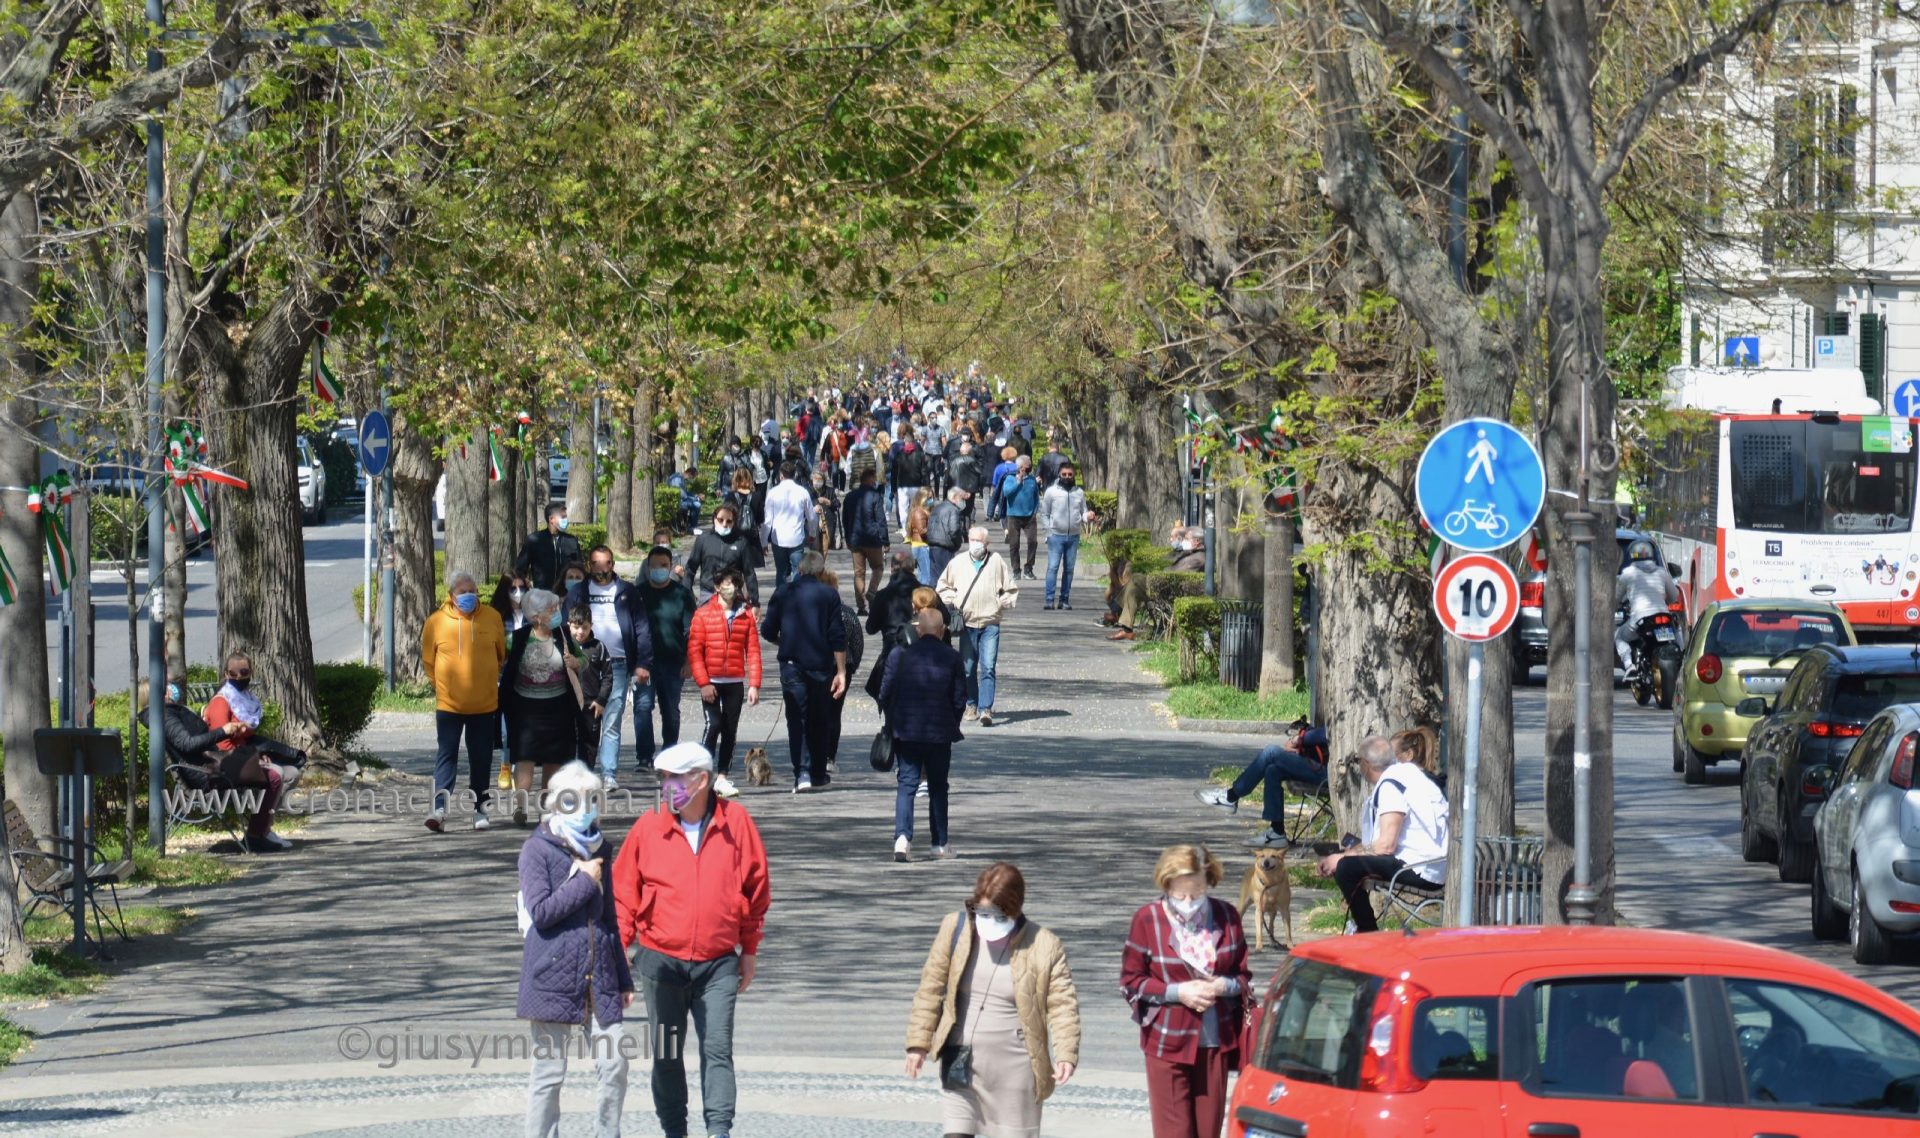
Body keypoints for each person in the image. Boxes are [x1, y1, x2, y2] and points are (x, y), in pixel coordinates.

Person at [613, 742, 771, 1138]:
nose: (664, 786)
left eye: (671, 778)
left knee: (717, 1051)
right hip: (659, 962)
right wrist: (616, 964)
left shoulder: (737, 823)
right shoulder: (649, 825)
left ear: (700, 781)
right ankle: (674, 1131)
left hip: (718, 964)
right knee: (667, 1056)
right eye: (662, 778)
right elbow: (622, 896)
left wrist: (749, 950)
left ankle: (719, 1131)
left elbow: (756, 889)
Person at [905, 862, 1082, 1138]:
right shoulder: (955, 929)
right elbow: (931, 986)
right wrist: (918, 1044)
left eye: (995, 914)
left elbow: (1062, 1006)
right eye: (980, 910)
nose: (985, 919)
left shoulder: (1044, 944)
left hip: (1015, 1071)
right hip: (961, 1063)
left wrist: (1066, 1054)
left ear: (1014, 909)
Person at [519, 760, 634, 1138]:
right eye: (577, 800)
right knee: (549, 1075)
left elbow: (610, 915)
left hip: (599, 974)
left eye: (592, 799)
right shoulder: (536, 850)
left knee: (615, 1062)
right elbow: (541, 912)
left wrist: (622, 974)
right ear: (557, 804)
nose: (587, 808)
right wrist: (584, 881)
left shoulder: (601, 846)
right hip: (551, 974)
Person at [1121, 845, 1252, 1138]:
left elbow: (1243, 978)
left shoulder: (1227, 915)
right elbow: (1131, 982)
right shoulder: (1147, 919)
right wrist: (1177, 992)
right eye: (1180, 895)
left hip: (1215, 1042)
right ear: (1166, 885)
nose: (1189, 902)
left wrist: (1223, 985)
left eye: (1197, 893)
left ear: (1209, 883)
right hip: (1167, 1042)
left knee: (1208, 1131)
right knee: (1174, 1133)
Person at [1316, 735, 1450, 933]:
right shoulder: (1406, 774)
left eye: (1358, 761)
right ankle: (1365, 928)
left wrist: (1342, 857)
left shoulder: (1391, 786)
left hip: (1422, 868)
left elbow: (1386, 845)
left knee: (1346, 868)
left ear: (1366, 764)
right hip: (1430, 862)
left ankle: (1367, 931)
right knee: (1351, 860)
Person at [154, 676, 290, 853]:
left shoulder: (170, 713)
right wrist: (223, 731)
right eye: (166, 689)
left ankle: (260, 832)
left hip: (211, 767)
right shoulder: (168, 716)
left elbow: (206, 746)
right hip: (207, 775)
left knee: (273, 772)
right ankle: (257, 836)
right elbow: (189, 744)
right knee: (273, 776)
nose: (171, 691)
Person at [421, 571, 508, 833]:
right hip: (449, 705)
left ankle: (480, 809)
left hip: (484, 705)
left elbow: (500, 654)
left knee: (480, 759)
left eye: (472, 591)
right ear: (451, 595)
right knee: (446, 756)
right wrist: (441, 686)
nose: (468, 596)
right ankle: (439, 809)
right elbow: (428, 660)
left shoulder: (492, 617)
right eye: (462, 592)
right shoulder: (435, 621)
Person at [502, 588, 592, 833]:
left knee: (553, 760)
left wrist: (577, 663)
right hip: (525, 708)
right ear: (536, 616)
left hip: (558, 707)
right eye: (552, 610)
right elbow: (503, 662)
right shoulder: (518, 638)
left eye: (556, 609)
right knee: (525, 759)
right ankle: (520, 806)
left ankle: (546, 808)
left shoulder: (563, 635)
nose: (557, 614)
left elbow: (582, 659)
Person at [566, 545, 655, 791]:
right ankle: (582, 773)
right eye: (596, 563)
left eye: (606, 563)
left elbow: (642, 628)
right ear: (589, 565)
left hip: (617, 663)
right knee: (583, 720)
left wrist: (643, 663)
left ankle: (608, 774)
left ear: (613, 564)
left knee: (612, 720)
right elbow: (566, 627)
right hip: (584, 663)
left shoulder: (627, 591)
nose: (601, 568)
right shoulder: (578, 592)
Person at [758, 550, 849, 792]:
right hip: (820, 664)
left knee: (797, 718)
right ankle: (819, 772)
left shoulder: (783, 592)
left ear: (799, 569)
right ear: (821, 571)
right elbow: (837, 636)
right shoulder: (829, 595)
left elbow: (767, 629)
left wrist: (783, 641)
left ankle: (802, 772)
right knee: (820, 719)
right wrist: (841, 671)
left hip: (791, 664)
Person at [881, 608, 967, 861]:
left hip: (906, 730)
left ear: (918, 630)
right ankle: (939, 843)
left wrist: (892, 720)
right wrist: (953, 721)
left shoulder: (900, 655)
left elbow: (885, 691)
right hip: (939, 732)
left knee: (906, 783)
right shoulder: (951, 657)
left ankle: (902, 838)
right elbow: (960, 698)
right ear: (942, 631)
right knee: (938, 787)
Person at [688, 567, 762, 798]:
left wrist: (754, 684)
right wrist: (703, 683)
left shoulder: (745, 614)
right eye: (728, 583)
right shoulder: (703, 614)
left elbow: (753, 650)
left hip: (734, 681)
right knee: (714, 725)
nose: (732, 588)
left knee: (730, 730)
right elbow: (695, 651)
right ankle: (702, 774)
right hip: (710, 680)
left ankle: (722, 777)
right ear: (718, 586)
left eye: (736, 584)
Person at [1195, 724, 1329, 847]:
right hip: (1321, 765)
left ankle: (1231, 797)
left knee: (1271, 751)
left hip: (1330, 775)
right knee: (1272, 770)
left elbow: (1328, 733)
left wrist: (1300, 738)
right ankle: (1277, 833)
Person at [937, 527, 1018, 727]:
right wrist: (954, 599)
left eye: (978, 540)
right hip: (968, 623)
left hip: (990, 622)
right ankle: (971, 704)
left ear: (987, 543)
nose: (974, 543)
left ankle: (986, 709)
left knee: (988, 667)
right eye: (972, 539)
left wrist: (1001, 602)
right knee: (968, 668)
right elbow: (942, 586)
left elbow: (1011, 588)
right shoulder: (958, 562)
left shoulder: (996, 561)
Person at [635, 545, 696, 768]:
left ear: (670, 567)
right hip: (645, 663)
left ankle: (669, 753)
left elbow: (692, 631)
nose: (659, 569)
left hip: (673, 663)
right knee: (642, 707)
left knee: (670, 710)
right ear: (647, 567)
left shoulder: (682, 595)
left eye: (663, 566)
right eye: (654, 566)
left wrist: (689, 662)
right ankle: (644, 756)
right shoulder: (638, 593)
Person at [863, 550, 922, 705]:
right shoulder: (925, 592)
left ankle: (889, 724)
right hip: (922, 652)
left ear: (892, 568)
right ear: (913, 568)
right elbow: (945, 617)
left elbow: (870, 628)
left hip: (891, 649)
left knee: (888, 692)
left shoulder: (883, 595)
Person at [564, 604, 615, 777]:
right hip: (568, 704)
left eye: (584, 627)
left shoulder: (598, 647)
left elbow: (608, 676)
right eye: (576, 627)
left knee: (589, 745)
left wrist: (601, 701)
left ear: (591, 626)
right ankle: (568, 779)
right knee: (568, 742)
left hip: (590, 704)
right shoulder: (565, 648)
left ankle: (586, 779)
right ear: (568, 625)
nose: (580, 632)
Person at [1615, 538, 1679, 670]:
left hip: (1640, 618)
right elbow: (1674, 596)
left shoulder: (1628, 574)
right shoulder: (1662, 572)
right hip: (1663, 615)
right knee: (1677, 632)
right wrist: (1663, 602)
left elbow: (1616, 599)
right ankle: (1682, 659)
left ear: (1632, 555)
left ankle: (1629, 666)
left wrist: (1615, 606)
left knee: (1618, 636)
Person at [684, 503, 761, 606]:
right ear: (714, 519)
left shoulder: (741, 542)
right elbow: (690, 569)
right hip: (708, 594)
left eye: (729, 521)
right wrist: (686, 595)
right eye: (720, 520)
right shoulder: (703, 540)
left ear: (734, 522)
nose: (724, 524)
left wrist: (754, 601)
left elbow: (749, 573)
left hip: (734, 595)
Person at [1037, 464, 1087, 611]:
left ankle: (1064, 600)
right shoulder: (1051, 492)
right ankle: (1049, 599)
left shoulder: (1079, 492)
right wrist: (1049, 531)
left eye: (1070, 474)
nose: (1067, 477)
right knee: (1053, 567)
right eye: (1064, 474)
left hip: (1073, 536)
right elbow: (1044, 514)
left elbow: (1084, 512)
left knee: (1069, 569)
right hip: (1055, 536)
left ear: (1074, 475)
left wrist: (1087, 516)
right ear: (1059, 475)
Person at [842, 465, 891, 616]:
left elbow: (845, 520)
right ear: (870, 480)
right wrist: (885, 541)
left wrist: (848, 537)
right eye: (874, 478)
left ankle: (861, 606)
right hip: (873, 539)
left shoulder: (850, 496)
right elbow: (881, 520)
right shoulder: (876, 496)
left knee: (858, 573)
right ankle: (872, 591)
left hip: (855, 540)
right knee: (878, 567)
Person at [763, 460, 816, 585]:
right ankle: (796, 598)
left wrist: (764, 541)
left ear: (781, 475)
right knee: (797, 570)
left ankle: (781, 599)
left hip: (778, 539)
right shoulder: (802, 492)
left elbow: (768, 520)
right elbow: (811, 517)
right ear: (795, 474)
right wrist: (812, 533)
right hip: (796, 537)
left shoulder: (773, 493)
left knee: (781, 571)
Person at [515, 504, 584, 593]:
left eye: (565, 517)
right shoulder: (534, 540)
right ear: (551, 519)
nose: (565, 520)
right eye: (563, 517)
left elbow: (579, 567)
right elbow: (520, 568)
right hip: (541, 594)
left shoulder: (571, 541)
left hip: (566, 593)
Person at [999, 456, 1040, 580]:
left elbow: (1036, 497)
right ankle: (1016, 570)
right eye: (1027, 465)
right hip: (1013, 516)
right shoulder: (1010, 479)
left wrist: (1034, 511)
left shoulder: (1032, 480)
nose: (1029, 467)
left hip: (1029, 517)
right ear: (1020, 467)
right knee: (1014, 544)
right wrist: (1018, 482)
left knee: (1033, 542)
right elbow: (1006, 493)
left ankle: (1029, 568)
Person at [926, 486, 969, 582]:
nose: (963, 501)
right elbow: (954, 530)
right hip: (944, 547)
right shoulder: (953, 510)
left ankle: (933, 595)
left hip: (933, 545)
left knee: (934, 577)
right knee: (945, 578)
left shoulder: (937, 507)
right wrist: (958, 544)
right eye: (961, 498)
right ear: (954, 497)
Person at [891, 427, 932, 529]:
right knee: (917, 507)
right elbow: (924, 472)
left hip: (902, 486)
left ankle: (905, 530)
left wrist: (893, 488)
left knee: (903, 509)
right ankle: (916, 528)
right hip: (916, 484)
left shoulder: (899, 455)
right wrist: (927, 487)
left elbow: (894, 472)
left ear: (905, 442)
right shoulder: (920, 455)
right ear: (913, 442)